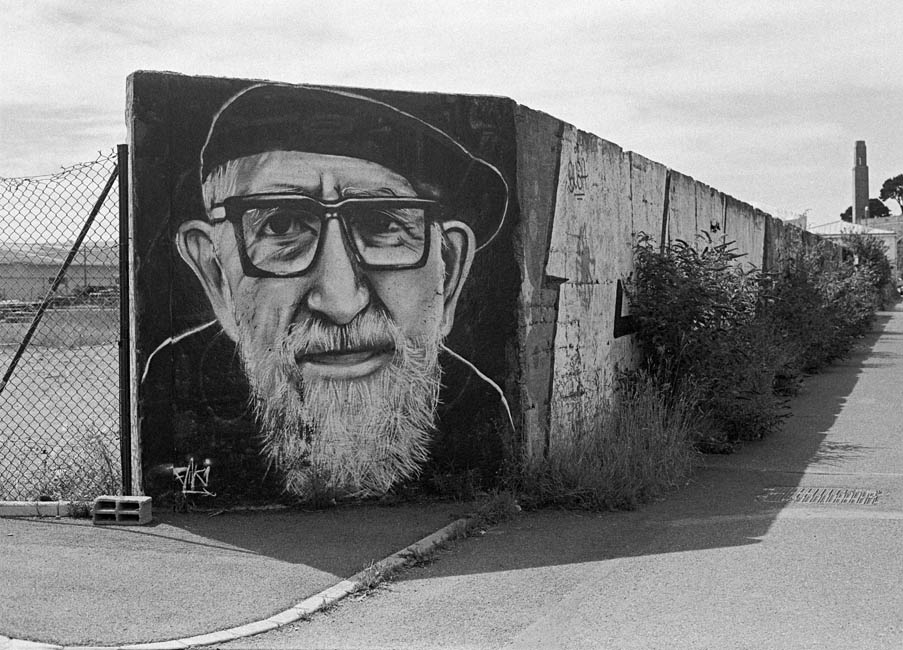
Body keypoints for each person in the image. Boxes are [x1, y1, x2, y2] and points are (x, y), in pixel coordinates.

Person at [175, 83, 508, 499]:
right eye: (282, 226)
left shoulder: (487, 413)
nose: (340, 301)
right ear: (215, 275)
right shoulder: (171, 396)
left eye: (383, 224)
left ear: (450, 274)